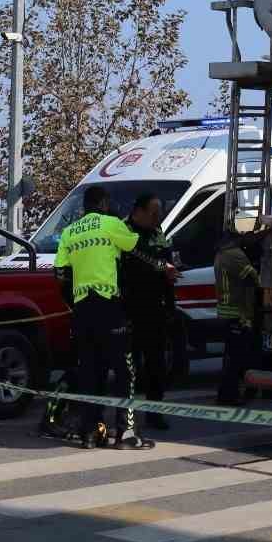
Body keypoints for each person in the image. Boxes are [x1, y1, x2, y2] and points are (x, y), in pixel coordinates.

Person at [54, 185, 153, 450]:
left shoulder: (68, 232)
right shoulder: (110, 224)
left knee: (90, 373)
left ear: (84, 206)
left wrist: (75, 304)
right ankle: (126, 434)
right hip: (109, 307)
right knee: (125, 372)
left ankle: (90, 433)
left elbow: (60, 274)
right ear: (105, 203)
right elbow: (136, 246)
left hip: (83, 311)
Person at [121, 192, 178, 431]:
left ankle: (155, 412)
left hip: (156, 307)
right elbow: (137, 263)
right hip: (130, 308)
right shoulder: (122, 231)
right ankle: (126, 416)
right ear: (138, 211)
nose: (158, 217)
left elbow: (167, 261)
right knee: (129, 366)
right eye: (154, 213)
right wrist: (159, 266)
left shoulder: (158, 232)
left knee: (156, 364)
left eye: (160, 213)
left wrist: (170, 304)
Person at [215, 231, 264, 406]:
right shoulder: (235, 255)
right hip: (238, 312)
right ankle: (229, 395)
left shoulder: (221, 253)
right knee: (236, 358)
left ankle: (226, 393)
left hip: (227, 312)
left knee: (230, 357)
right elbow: (253, 278)